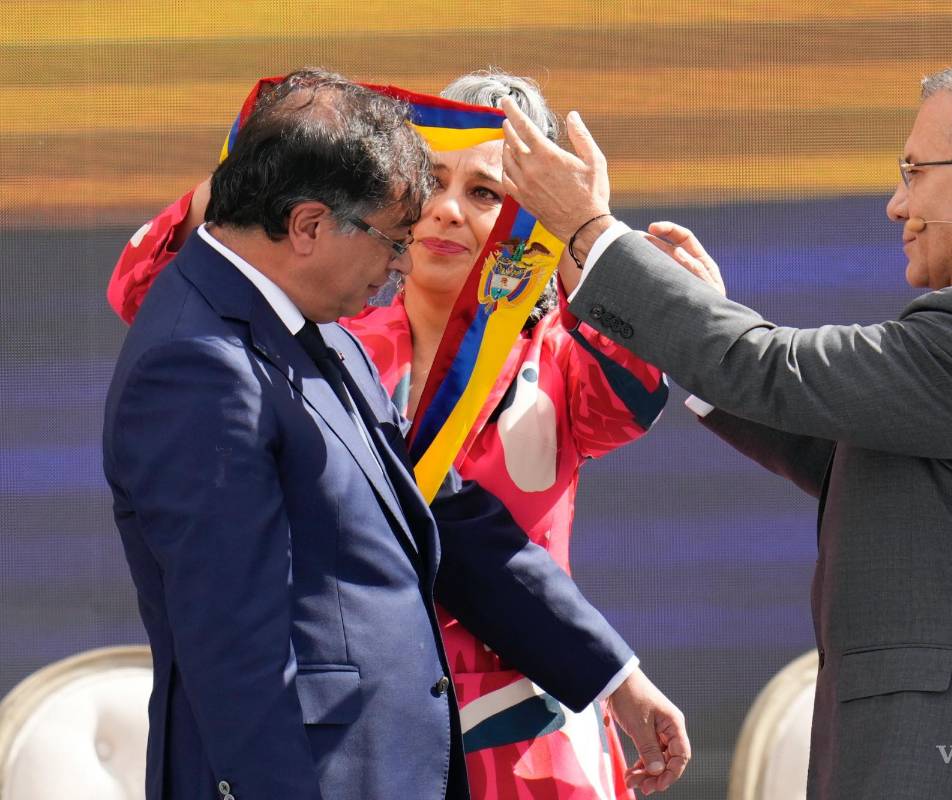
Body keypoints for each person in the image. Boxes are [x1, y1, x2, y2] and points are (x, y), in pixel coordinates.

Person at [499, 60, 952, 799]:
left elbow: (772, 367)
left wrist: (591, 233)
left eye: (913, 170)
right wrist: (703, 339)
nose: (897, 204)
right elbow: (848, 455)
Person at [102, 68, 687, 800]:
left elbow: (457, 526)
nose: (432, 220)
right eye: (412, 199)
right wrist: (272, 159)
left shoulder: (360, 344)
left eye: (483, 193)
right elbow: (233, 643)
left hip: (508, 738)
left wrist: (596, 242)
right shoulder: (282, 343)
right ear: (315, 221)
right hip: (322, 761)